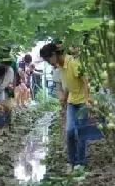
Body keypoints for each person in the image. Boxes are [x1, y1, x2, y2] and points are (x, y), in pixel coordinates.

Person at [40, 42, 90, 173]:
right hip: (71, 102)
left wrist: (87, 100)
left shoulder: (73, 63)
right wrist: (64, 103)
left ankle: (80, 162)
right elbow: (67, 86)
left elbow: (85, 81)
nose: (48, 62)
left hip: (82, 103)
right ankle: (71, 161)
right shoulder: (60, 66)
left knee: (80, 132)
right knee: (69, 131)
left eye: (47, 59)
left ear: (54, 54)